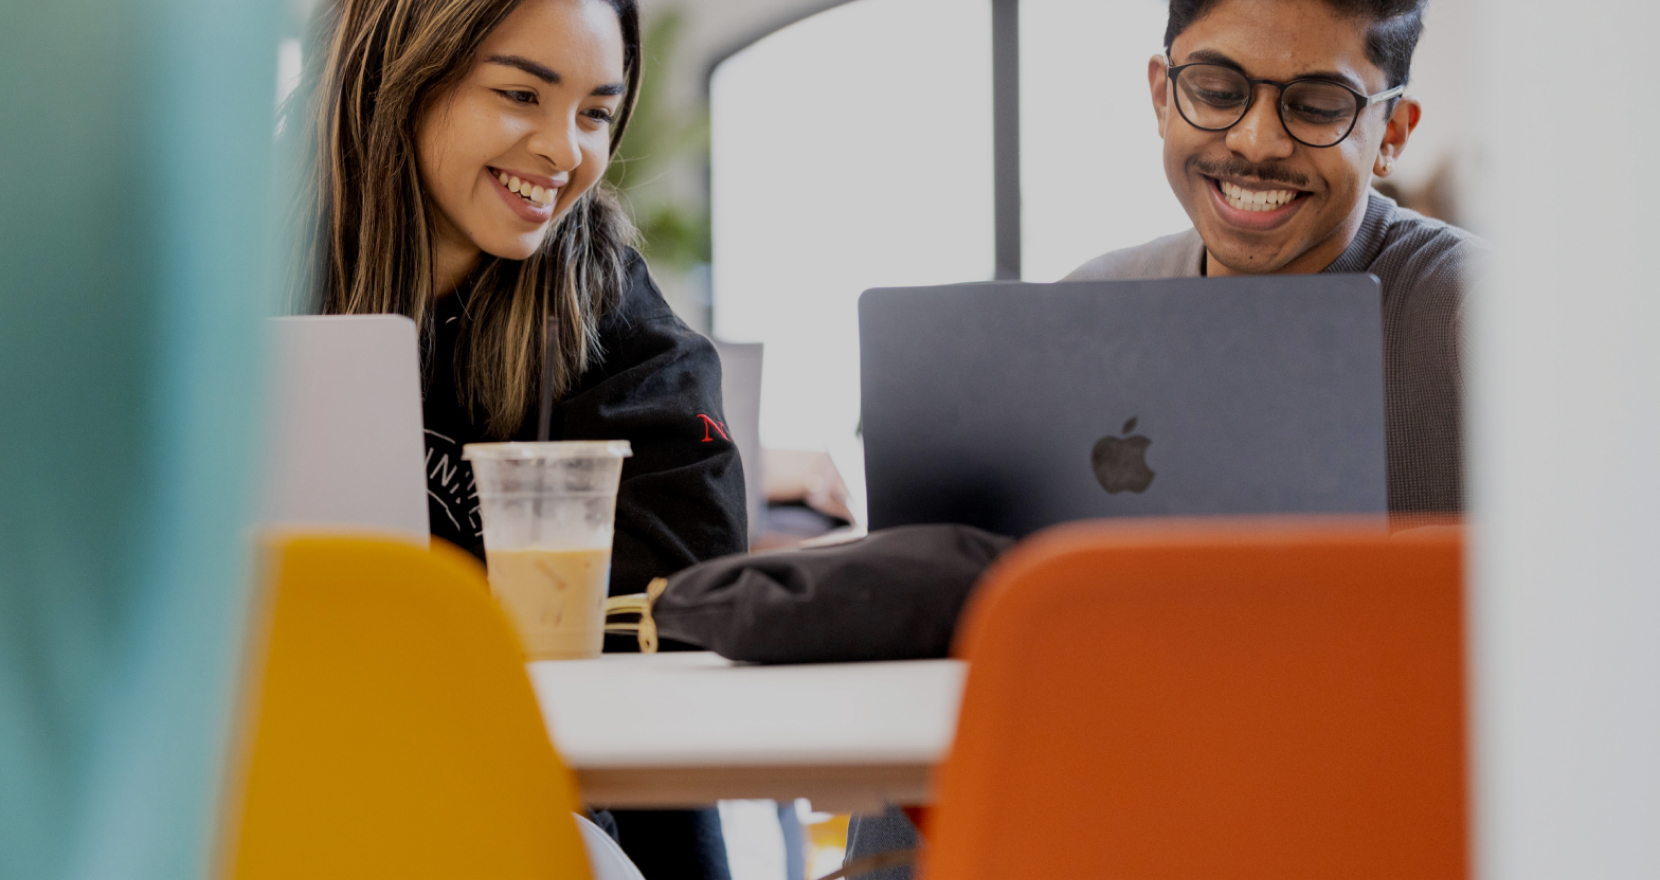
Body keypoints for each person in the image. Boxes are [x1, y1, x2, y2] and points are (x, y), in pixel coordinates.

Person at [283, 0, 745, 876]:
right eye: (520, 95)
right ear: (401, 74)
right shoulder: (229, 266)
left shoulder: (609, 318)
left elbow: (683, 612)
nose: (566, 151)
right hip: (272, 786)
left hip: (526, 806)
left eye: (595, 112)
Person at [1066, 0, 1483, 514]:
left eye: (1319, 106)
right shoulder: (1086, 309)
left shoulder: (1484, 319)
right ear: (1162, 98)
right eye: (1217, 92)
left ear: (1392, 133)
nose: (1257, 143)